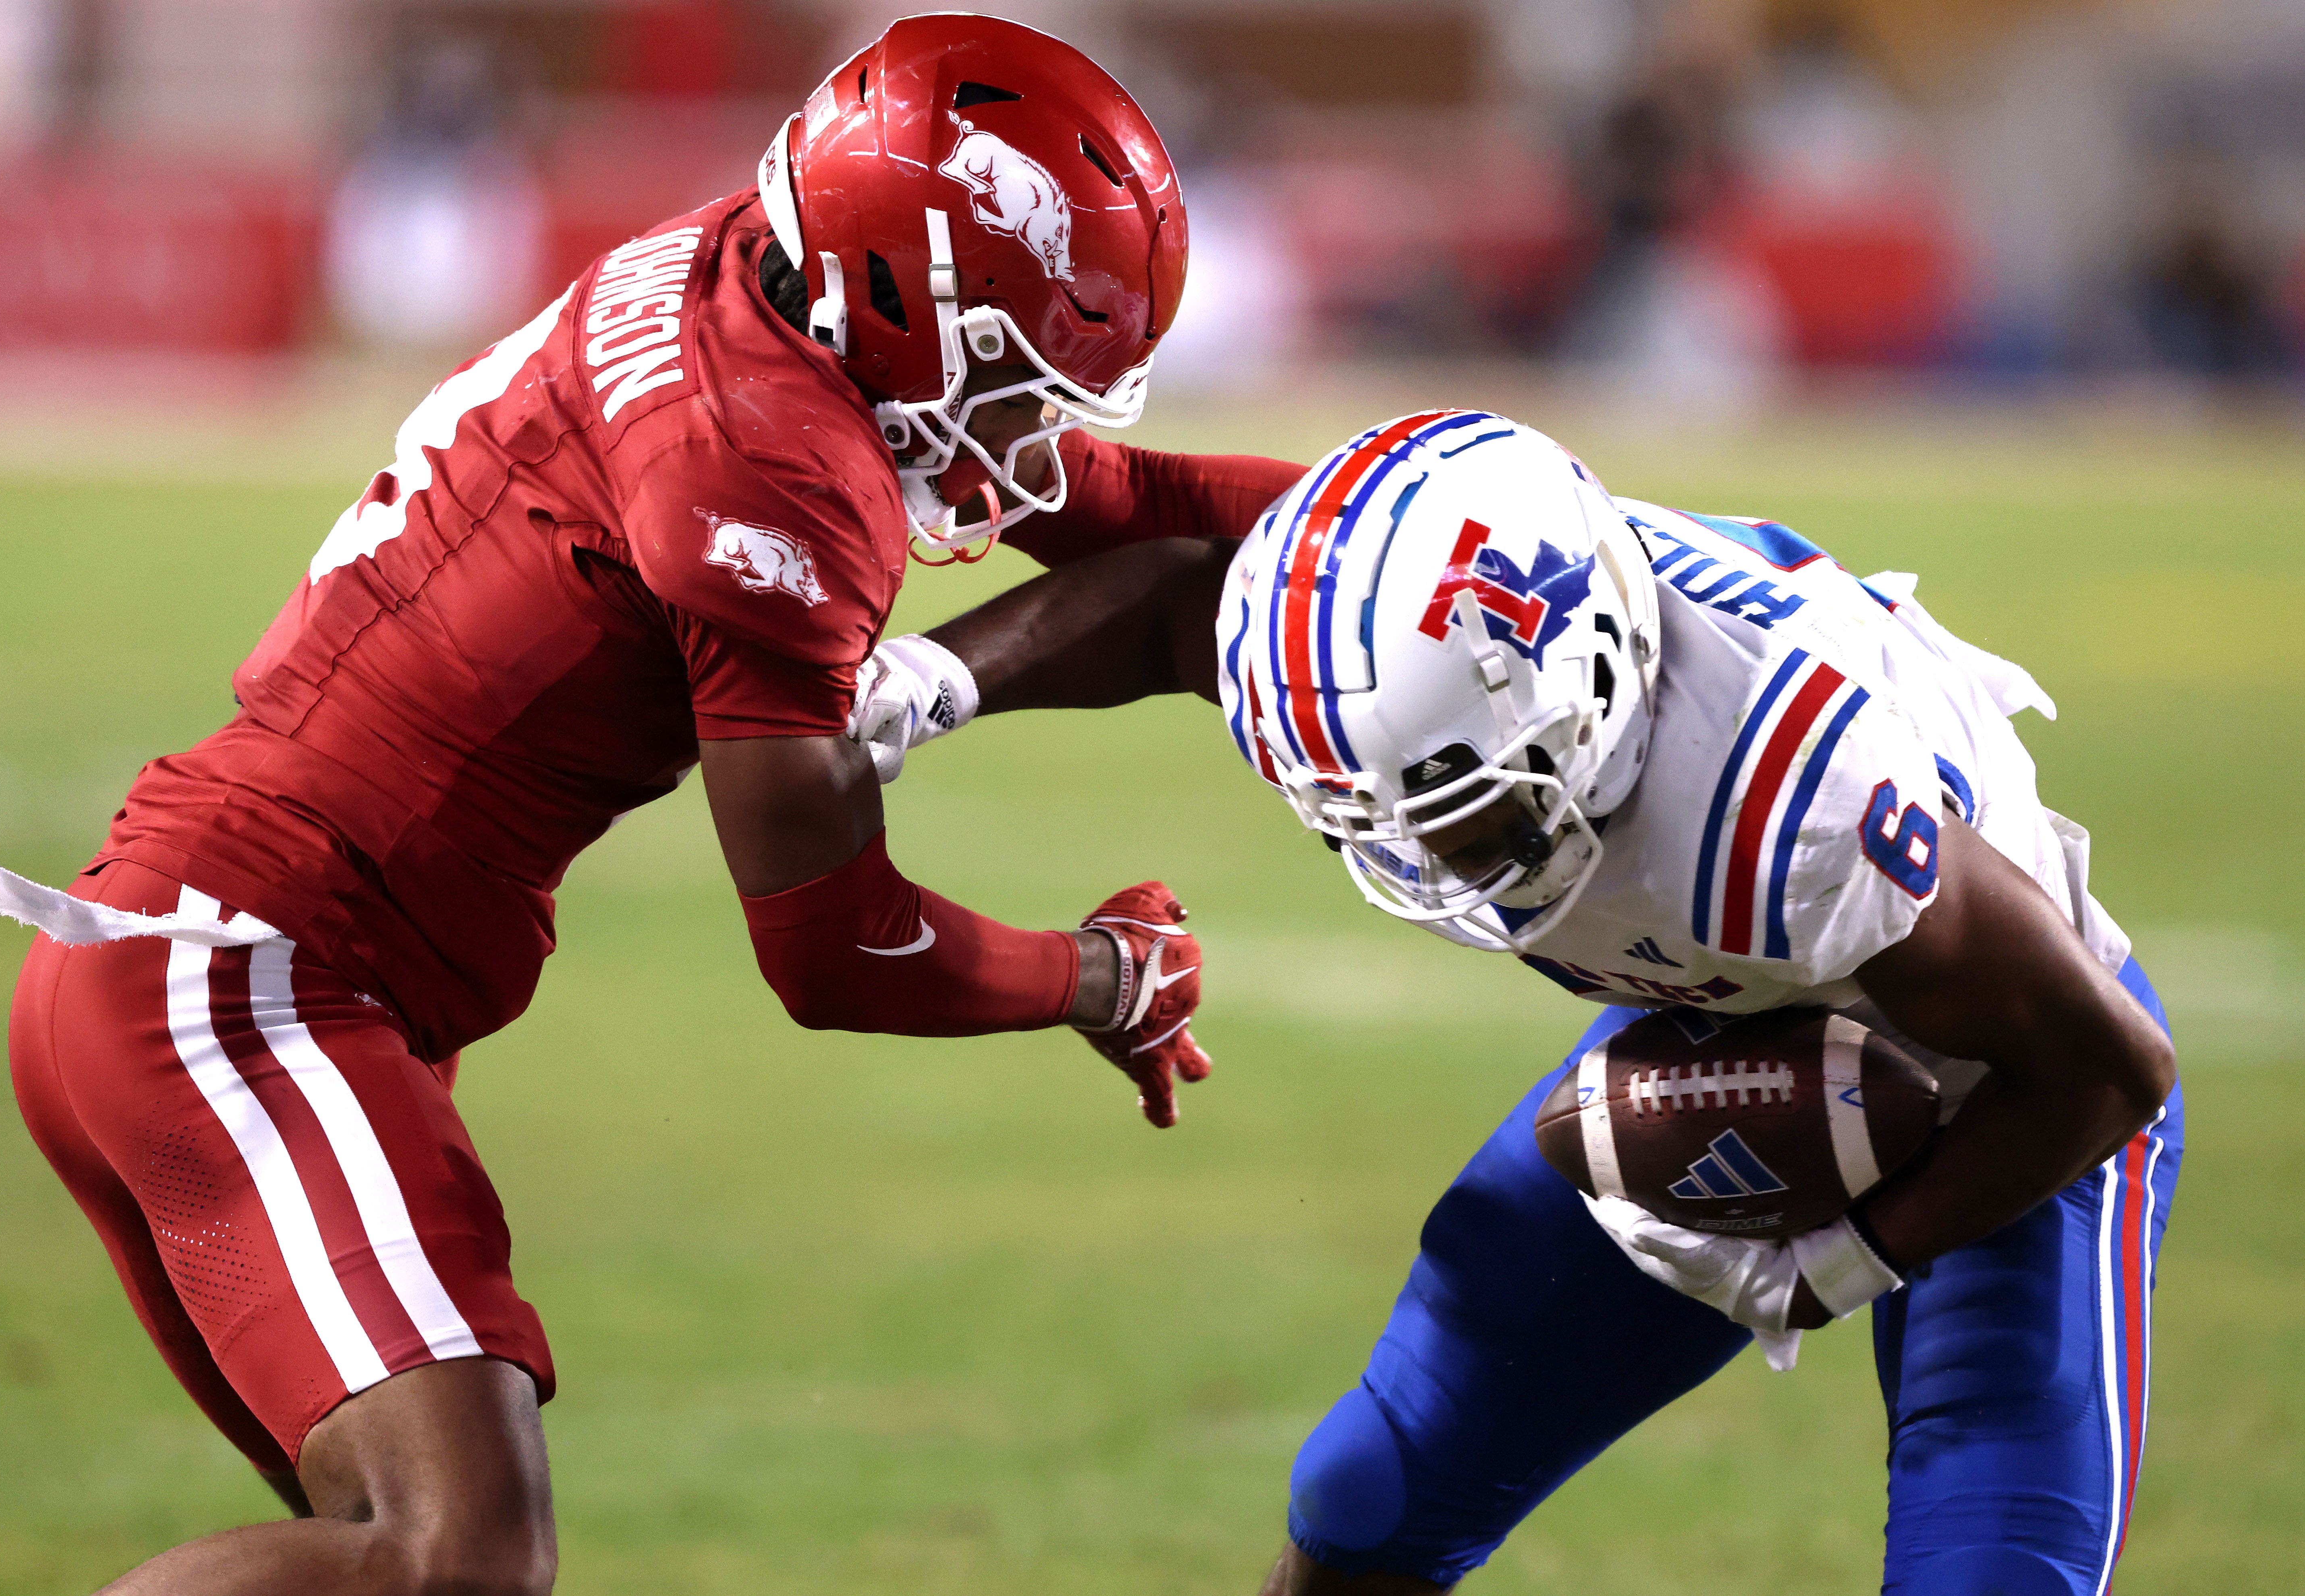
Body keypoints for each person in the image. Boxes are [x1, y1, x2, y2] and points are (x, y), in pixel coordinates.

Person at [0, 16, 1302, 1593]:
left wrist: (1435, 493)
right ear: (902, 292)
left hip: (201, 957)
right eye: (1009, 365)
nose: (1032, 421)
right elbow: (830, 953)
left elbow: (1116, 502)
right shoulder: (760, 475)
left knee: (394, 1570)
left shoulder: (745, 268)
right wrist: (1094, 977)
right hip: (251, 990)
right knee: (455, 1559)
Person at [851, 409, 2180, 1594]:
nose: (1425, 858)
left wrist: (1833, 1261)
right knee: (1376, 1488)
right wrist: (923, 684)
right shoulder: (1395, 648)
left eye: (1467, 818)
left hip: (2015, 1083)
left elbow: (2112, 1064)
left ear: (1595, 703)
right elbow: (1172, 606)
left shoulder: (1787, 806)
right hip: (1757, 1007)